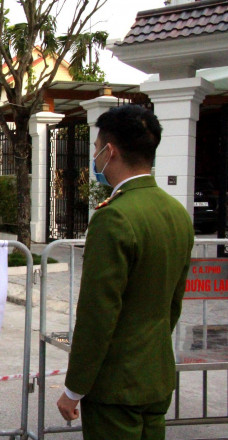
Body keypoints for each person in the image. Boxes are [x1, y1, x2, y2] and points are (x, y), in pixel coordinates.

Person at [56, 105, 194, 440]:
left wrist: (74, 389)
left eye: (95, 148)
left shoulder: (114, 217)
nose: (94, 157)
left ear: (110, 151)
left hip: (116, 384)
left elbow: (97, 314)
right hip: (156, 376)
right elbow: (173, 304)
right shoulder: (176, 212)